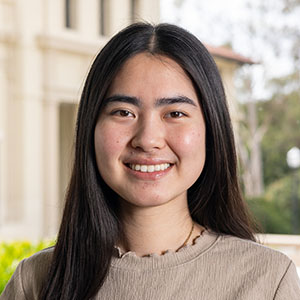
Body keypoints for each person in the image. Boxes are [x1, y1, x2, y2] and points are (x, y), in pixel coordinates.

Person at [1, 22, 300, 300]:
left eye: (175, 113)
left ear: (212, 129)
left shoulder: (266, 280)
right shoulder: (36, 281)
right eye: (123, 112)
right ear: (90, 127)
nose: (147, 139)